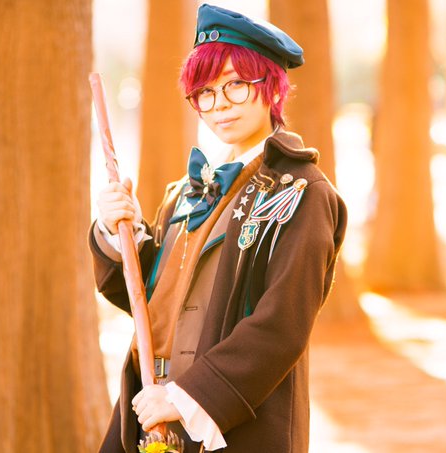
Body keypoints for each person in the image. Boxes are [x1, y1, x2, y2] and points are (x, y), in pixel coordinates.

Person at [89, 4, 347, 452]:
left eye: (235, 85)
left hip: (229, 423)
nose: (220, 104)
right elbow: (152, 299)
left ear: (272, 87)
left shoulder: (302, 192)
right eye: (205, 92)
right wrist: (119, 230)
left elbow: (281, 324)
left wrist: (184, 396)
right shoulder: (185, 192)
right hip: (150, 417)